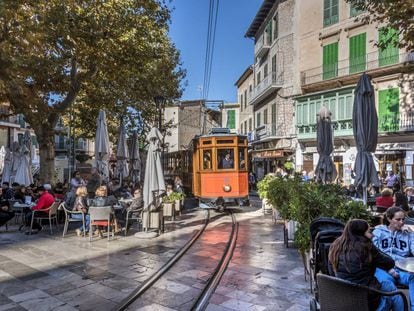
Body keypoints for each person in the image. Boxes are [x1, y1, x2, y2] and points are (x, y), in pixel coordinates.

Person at [329, 219, 398, 310]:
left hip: (343, 295)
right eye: (369, 231)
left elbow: (331, 270)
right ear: (361, 233)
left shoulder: (335, 246)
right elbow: (389, 262)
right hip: (367, 299)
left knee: (386, 284)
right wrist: (373, 245)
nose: (372, 234)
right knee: (394, 292)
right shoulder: (366, 247)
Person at [373, 207, 414, 311]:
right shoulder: (378, 232)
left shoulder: (407, 234)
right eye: (398, 219)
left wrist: (412, 234)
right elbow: (373, 253)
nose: (402, 222)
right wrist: (388, 268)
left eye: (403, 219)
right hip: (382, 268)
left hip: (402, 268)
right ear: (389, 219)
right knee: (388, 286)